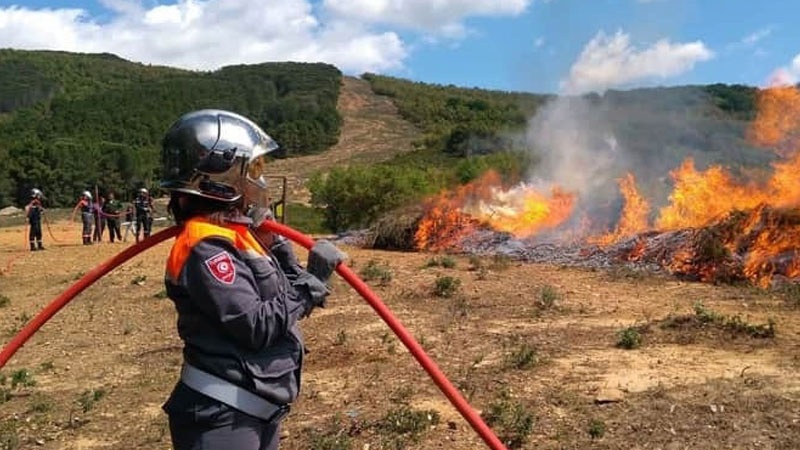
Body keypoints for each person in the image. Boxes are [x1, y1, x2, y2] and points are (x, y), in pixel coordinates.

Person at [159, 109, 345, 450]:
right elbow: (255, 325)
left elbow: (285, 298)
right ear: (221, 176)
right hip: (222, 416)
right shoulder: (206, 248)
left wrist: (280, 248)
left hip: (255, 412)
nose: (261, 178)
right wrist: (314, 280)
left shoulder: (233, 235)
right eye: (255, 168)